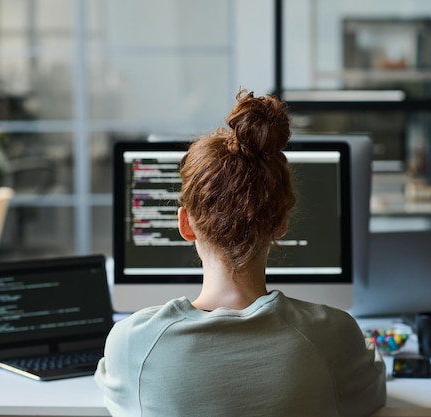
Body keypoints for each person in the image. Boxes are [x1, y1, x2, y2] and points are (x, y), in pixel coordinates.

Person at [95, 90, 386, 417]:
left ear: (185, 224)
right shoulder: (334, 337)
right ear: (281, 225)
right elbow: (373, 391)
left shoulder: (131, 343)